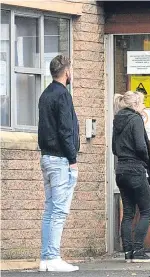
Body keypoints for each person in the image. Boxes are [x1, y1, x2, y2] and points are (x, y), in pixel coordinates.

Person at [38, 55, 80, 272]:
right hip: (60, 160)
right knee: (59, 210)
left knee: (50, 209)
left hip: (46, 157)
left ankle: (46, 258)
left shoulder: (45, 94)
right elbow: (65, 130)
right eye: (71, 69)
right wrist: (72, 160)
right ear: (66, 71)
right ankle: (53, 257)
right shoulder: (63, 95)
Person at [112, 91, 150, 263]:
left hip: (121, 170)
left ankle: (128, 251)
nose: (144, 106)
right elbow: (140, 145)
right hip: (135, 170)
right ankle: (138, 250)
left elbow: (115, 148)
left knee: (128, 213)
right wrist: (146, 159)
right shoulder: (135, 119)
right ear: (135, 104)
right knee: (147, 211)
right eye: (142, 102)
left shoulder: (117, 120)